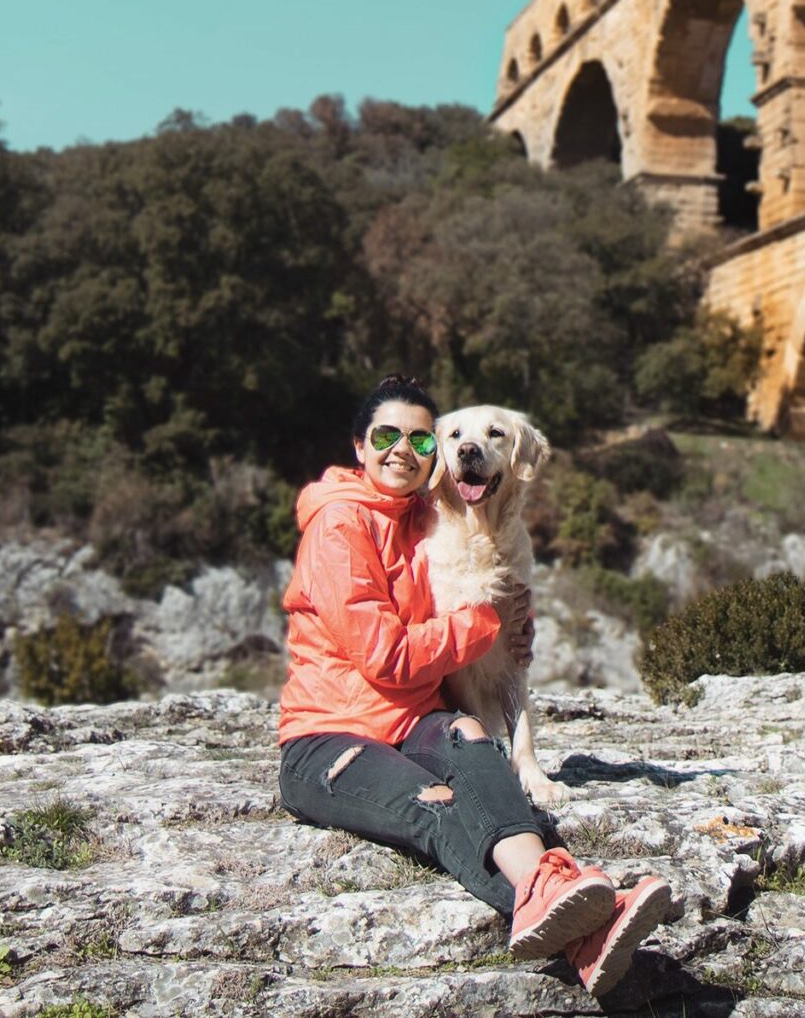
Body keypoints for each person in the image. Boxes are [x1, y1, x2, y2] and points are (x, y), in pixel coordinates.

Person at [277, 375, 675, 996]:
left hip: (414, 721)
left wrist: (514, 627)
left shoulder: (428, 517)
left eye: (418, 439)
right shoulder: (339, 527)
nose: (402, 450)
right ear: (359, 447)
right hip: (329, 740)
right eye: (386, 436)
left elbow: (481, 617)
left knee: (471, 739)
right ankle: (580, 930)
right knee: (439, 803)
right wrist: (488, 621)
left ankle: (559, 889)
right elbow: (386, 655)